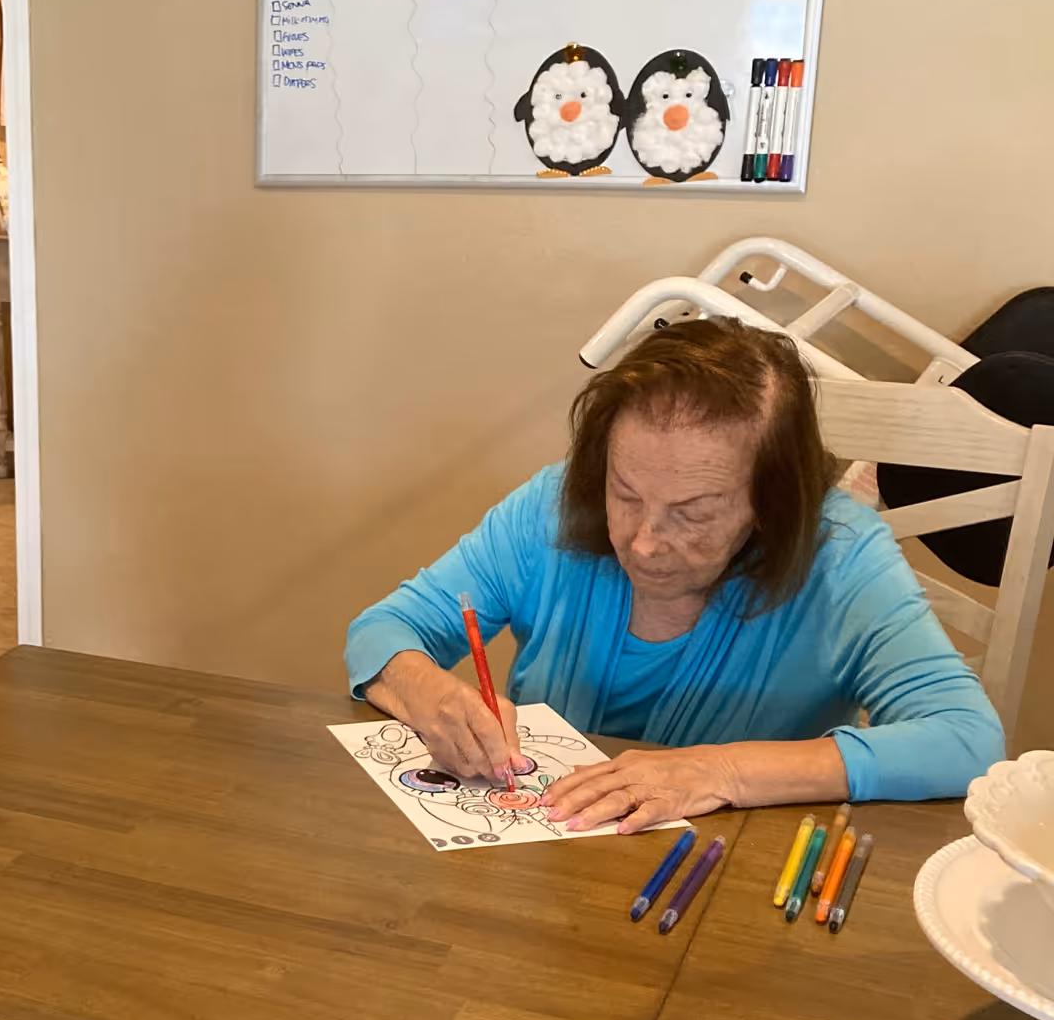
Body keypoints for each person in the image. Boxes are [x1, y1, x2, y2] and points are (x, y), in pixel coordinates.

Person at [346, 316, 1004, 833]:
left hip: (725, 890)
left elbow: (967, 740)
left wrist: (722, 771)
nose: (643, 540)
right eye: (625, 492)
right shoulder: (551, 506)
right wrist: (428, 693)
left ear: (772, 503)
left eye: (693, 513)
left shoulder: (841, 556)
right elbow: (385, 629)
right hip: (548, 868)